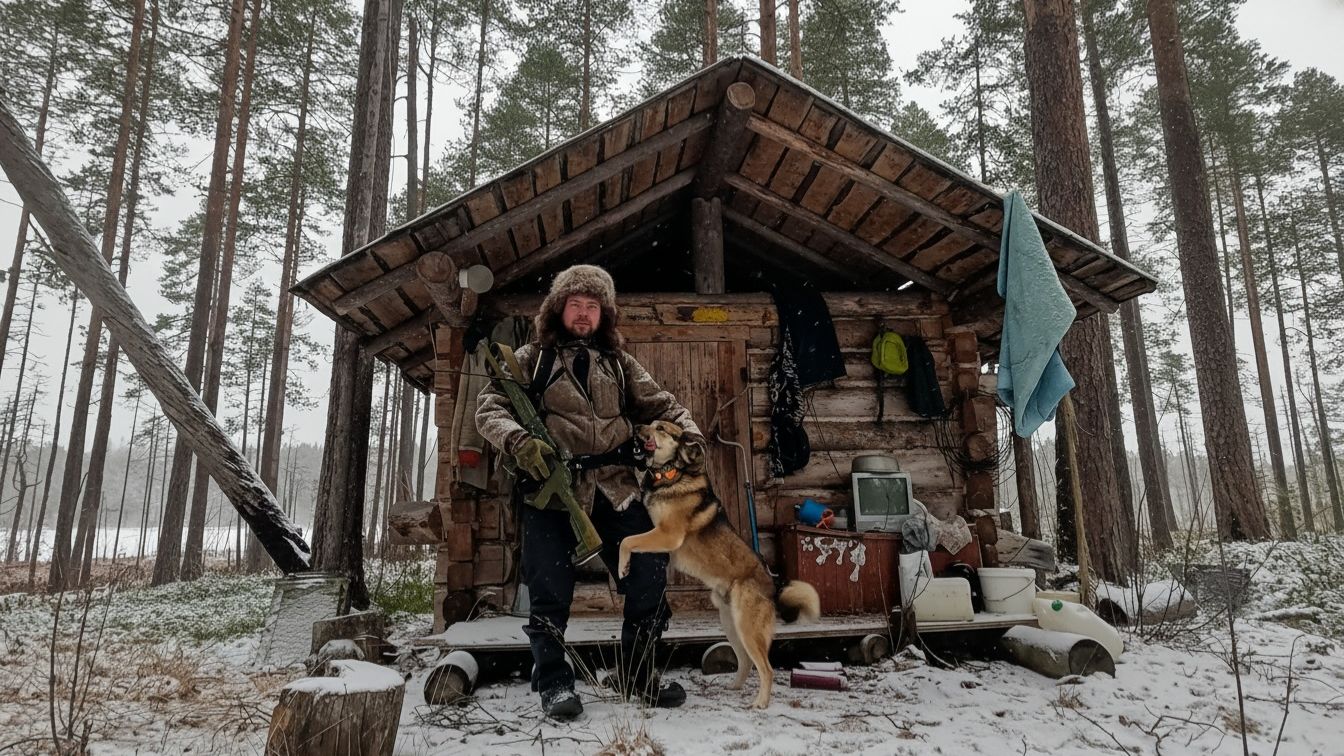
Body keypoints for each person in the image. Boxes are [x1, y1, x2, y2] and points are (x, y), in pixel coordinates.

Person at [476, 264, 704, 720]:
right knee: (549, 589)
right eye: (575, 305)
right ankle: (555, 682)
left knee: (649, 577)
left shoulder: (620, 364)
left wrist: (690, 436)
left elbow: (665, 405)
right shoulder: (530, 359)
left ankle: (637, 674)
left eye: (592, 306)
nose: (583, 314)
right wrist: (521, 441)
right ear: (558, 309)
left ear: (604, 314)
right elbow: (489, 409)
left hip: (616, 486)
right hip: (551, 492)